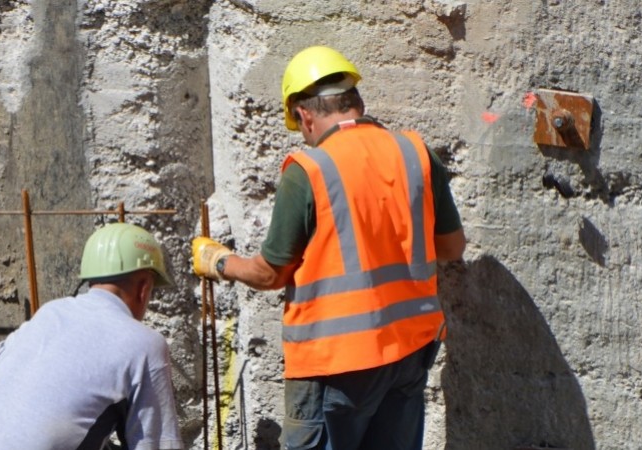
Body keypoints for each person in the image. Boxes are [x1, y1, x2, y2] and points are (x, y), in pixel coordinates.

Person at [192, 46, 466, 450]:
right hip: (408, 351)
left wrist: (217, 260)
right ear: (356, 101)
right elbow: (451, 247)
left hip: (335, 363)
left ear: (304, 115)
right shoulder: (415, 153)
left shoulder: (310, 170)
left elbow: (269, 274)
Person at [0, 223, 184, 450]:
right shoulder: (144, 344)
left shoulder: (52, 310)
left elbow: (5, 355)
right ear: (144, 288)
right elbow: (156, 442)